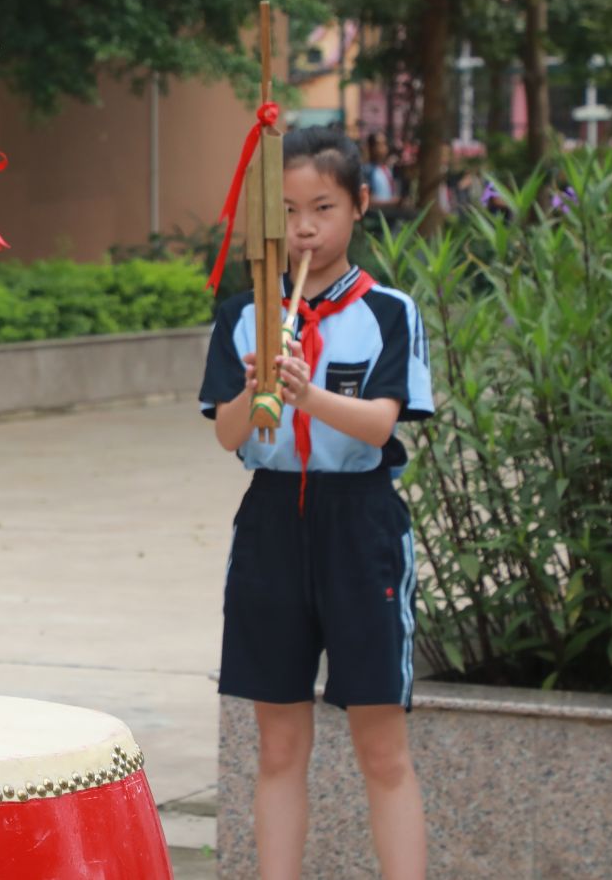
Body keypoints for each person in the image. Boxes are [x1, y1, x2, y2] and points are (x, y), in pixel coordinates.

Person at [200, 126, 433, 878]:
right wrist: (255, 385)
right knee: (277, 743)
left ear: (360, 205)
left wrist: (310, 393)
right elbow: (227, 434)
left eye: (323, 207)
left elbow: (382, 422)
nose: (304, 228)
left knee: (381, 744)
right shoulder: (244, 315)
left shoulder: (391, 312)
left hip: (360, 523)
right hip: (270, 519)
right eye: (291, 210)